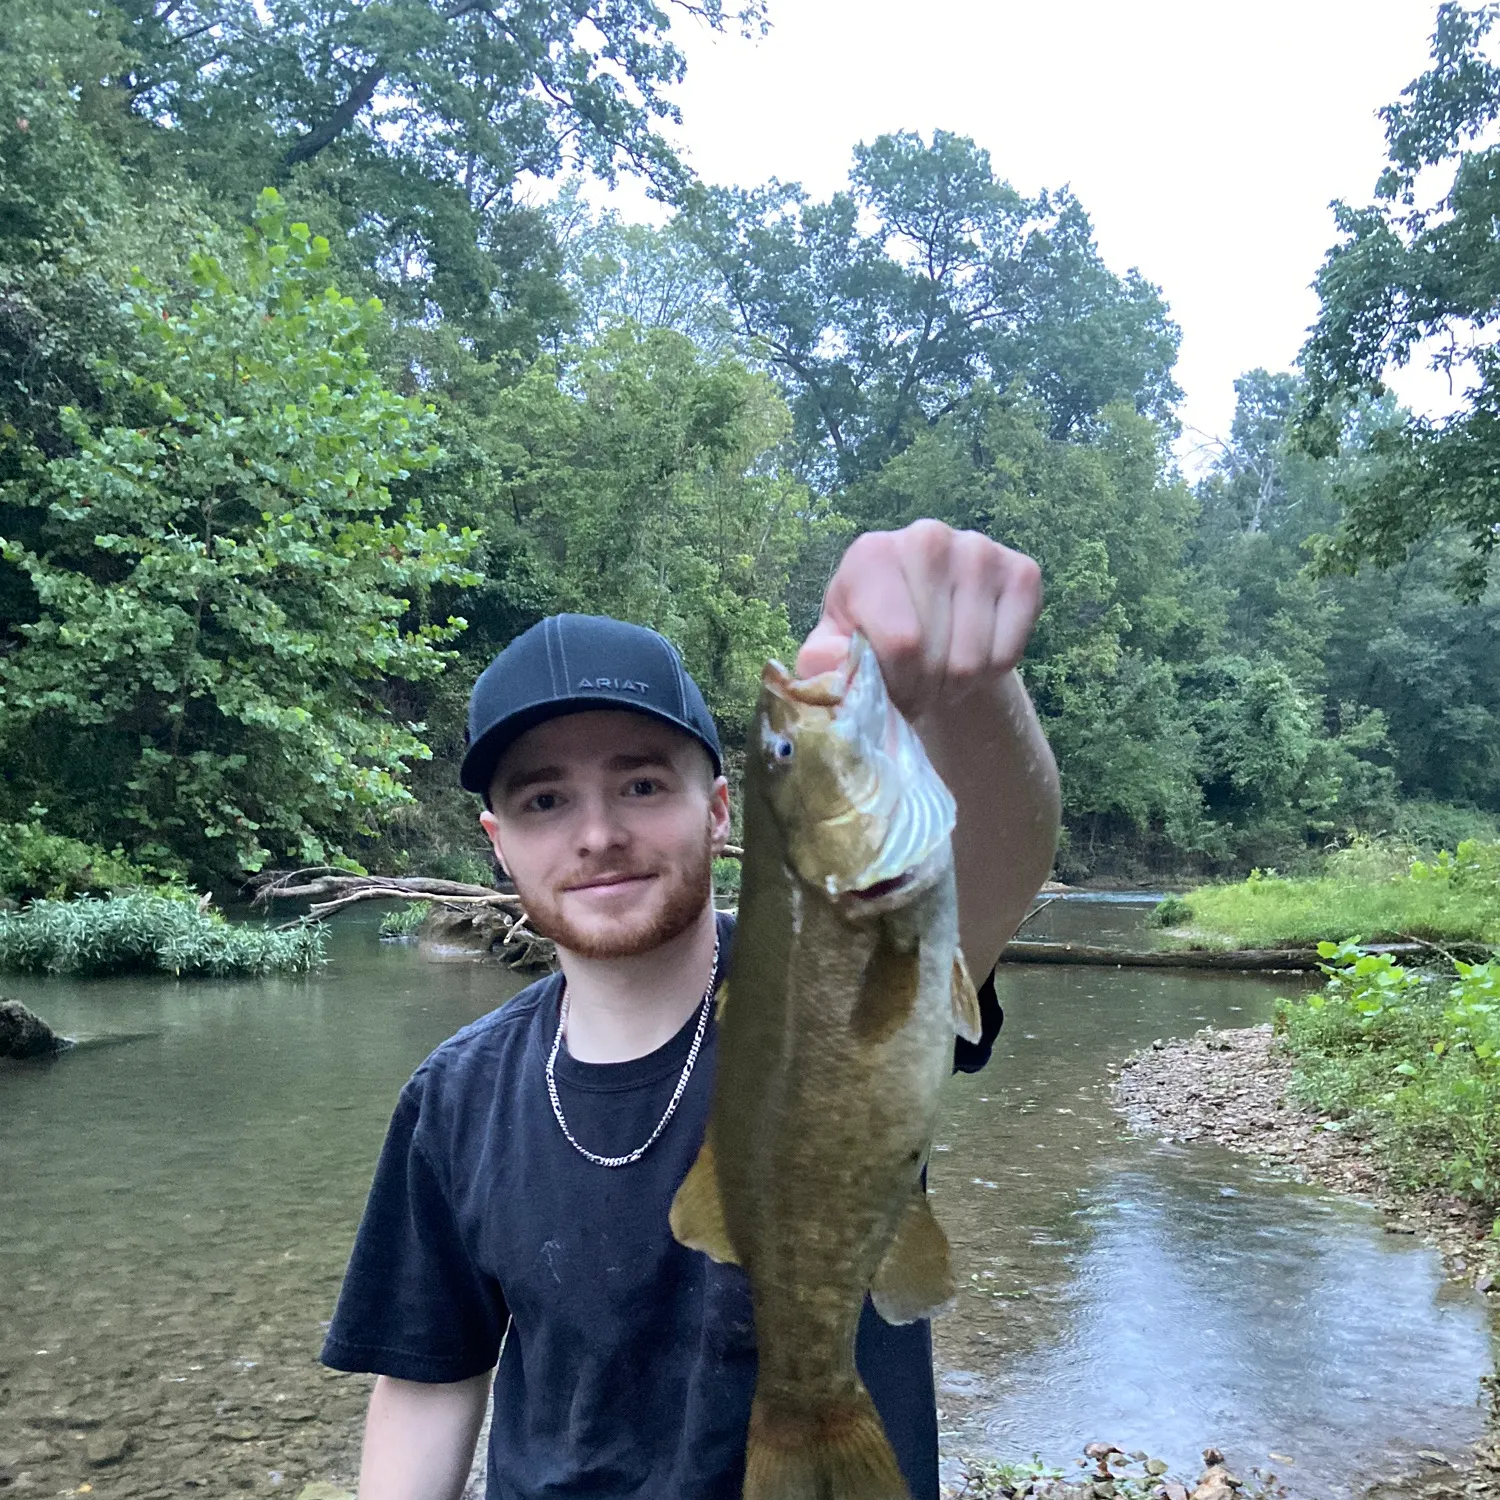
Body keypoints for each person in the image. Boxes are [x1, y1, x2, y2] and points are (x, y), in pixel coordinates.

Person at [321, 520, 1061, 1500]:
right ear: (498, 843)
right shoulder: (452, 1099)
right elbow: (428, 1377)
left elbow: (997, 851)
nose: (596, 834)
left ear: (717, 809)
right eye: (546, 801)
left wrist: (966, 688)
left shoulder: (829, 966)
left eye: (640, 782)